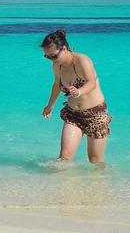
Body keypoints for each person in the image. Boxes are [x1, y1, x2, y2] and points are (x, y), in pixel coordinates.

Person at [40, 28, 110, 165]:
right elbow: (56, 85)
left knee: (95, 161)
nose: (51, 60)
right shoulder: (57, 66)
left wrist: (79, 92)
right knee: (64, 157)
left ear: (64, 48)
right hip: (73, 114)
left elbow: (92, 82)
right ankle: (63, 186)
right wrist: (50, 106)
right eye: (47, 57)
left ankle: (101, 185)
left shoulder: (82, 60)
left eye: (53, 56)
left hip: (95, 115)